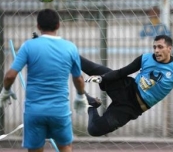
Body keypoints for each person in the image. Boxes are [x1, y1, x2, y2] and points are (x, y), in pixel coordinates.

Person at [81, 34, 173, 137]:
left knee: (94, 129)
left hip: (131, 108)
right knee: (90, 67)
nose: (156, 50)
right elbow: (121, 72)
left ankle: (92, 105)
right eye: (154, 47)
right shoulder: (145, 58)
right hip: (126, 88)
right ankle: (67, 53)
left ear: (169, 49)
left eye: (160, 47)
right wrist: (102, 78)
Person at [0, 9, 100, 152]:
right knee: (65, 147)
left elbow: (10, 75)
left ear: (38, 26)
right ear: (58, 25)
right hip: (59, 111)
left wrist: (6, 91)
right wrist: (80, 96)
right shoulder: (70, 47)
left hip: (34, 111)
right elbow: (78, 78)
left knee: (35, 148)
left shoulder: (29, 46)